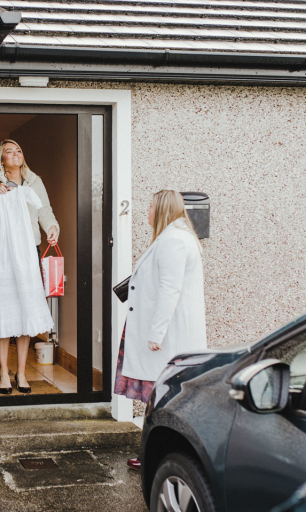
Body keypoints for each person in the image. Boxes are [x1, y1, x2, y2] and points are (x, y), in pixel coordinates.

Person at [115, 189, 206, 470]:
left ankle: (154, 456)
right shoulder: (173, 237)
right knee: (160, 397)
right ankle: (151, 454)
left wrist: (156, 333)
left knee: (162, 396)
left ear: (163, 209)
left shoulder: (174, 241)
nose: (148, 211)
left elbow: (170, 289)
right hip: (162, 335)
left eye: (151, 206)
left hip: (165, 338)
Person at [0, 139, 59, 394]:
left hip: (27, 250)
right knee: (4, 307)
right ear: (1, 160)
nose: (15, 154)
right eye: (9, 152)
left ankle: (21, 372)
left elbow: (45, 212)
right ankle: (3, 371)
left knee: (25, 306)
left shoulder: (34, 183)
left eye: (19, 150)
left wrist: (53, 229)